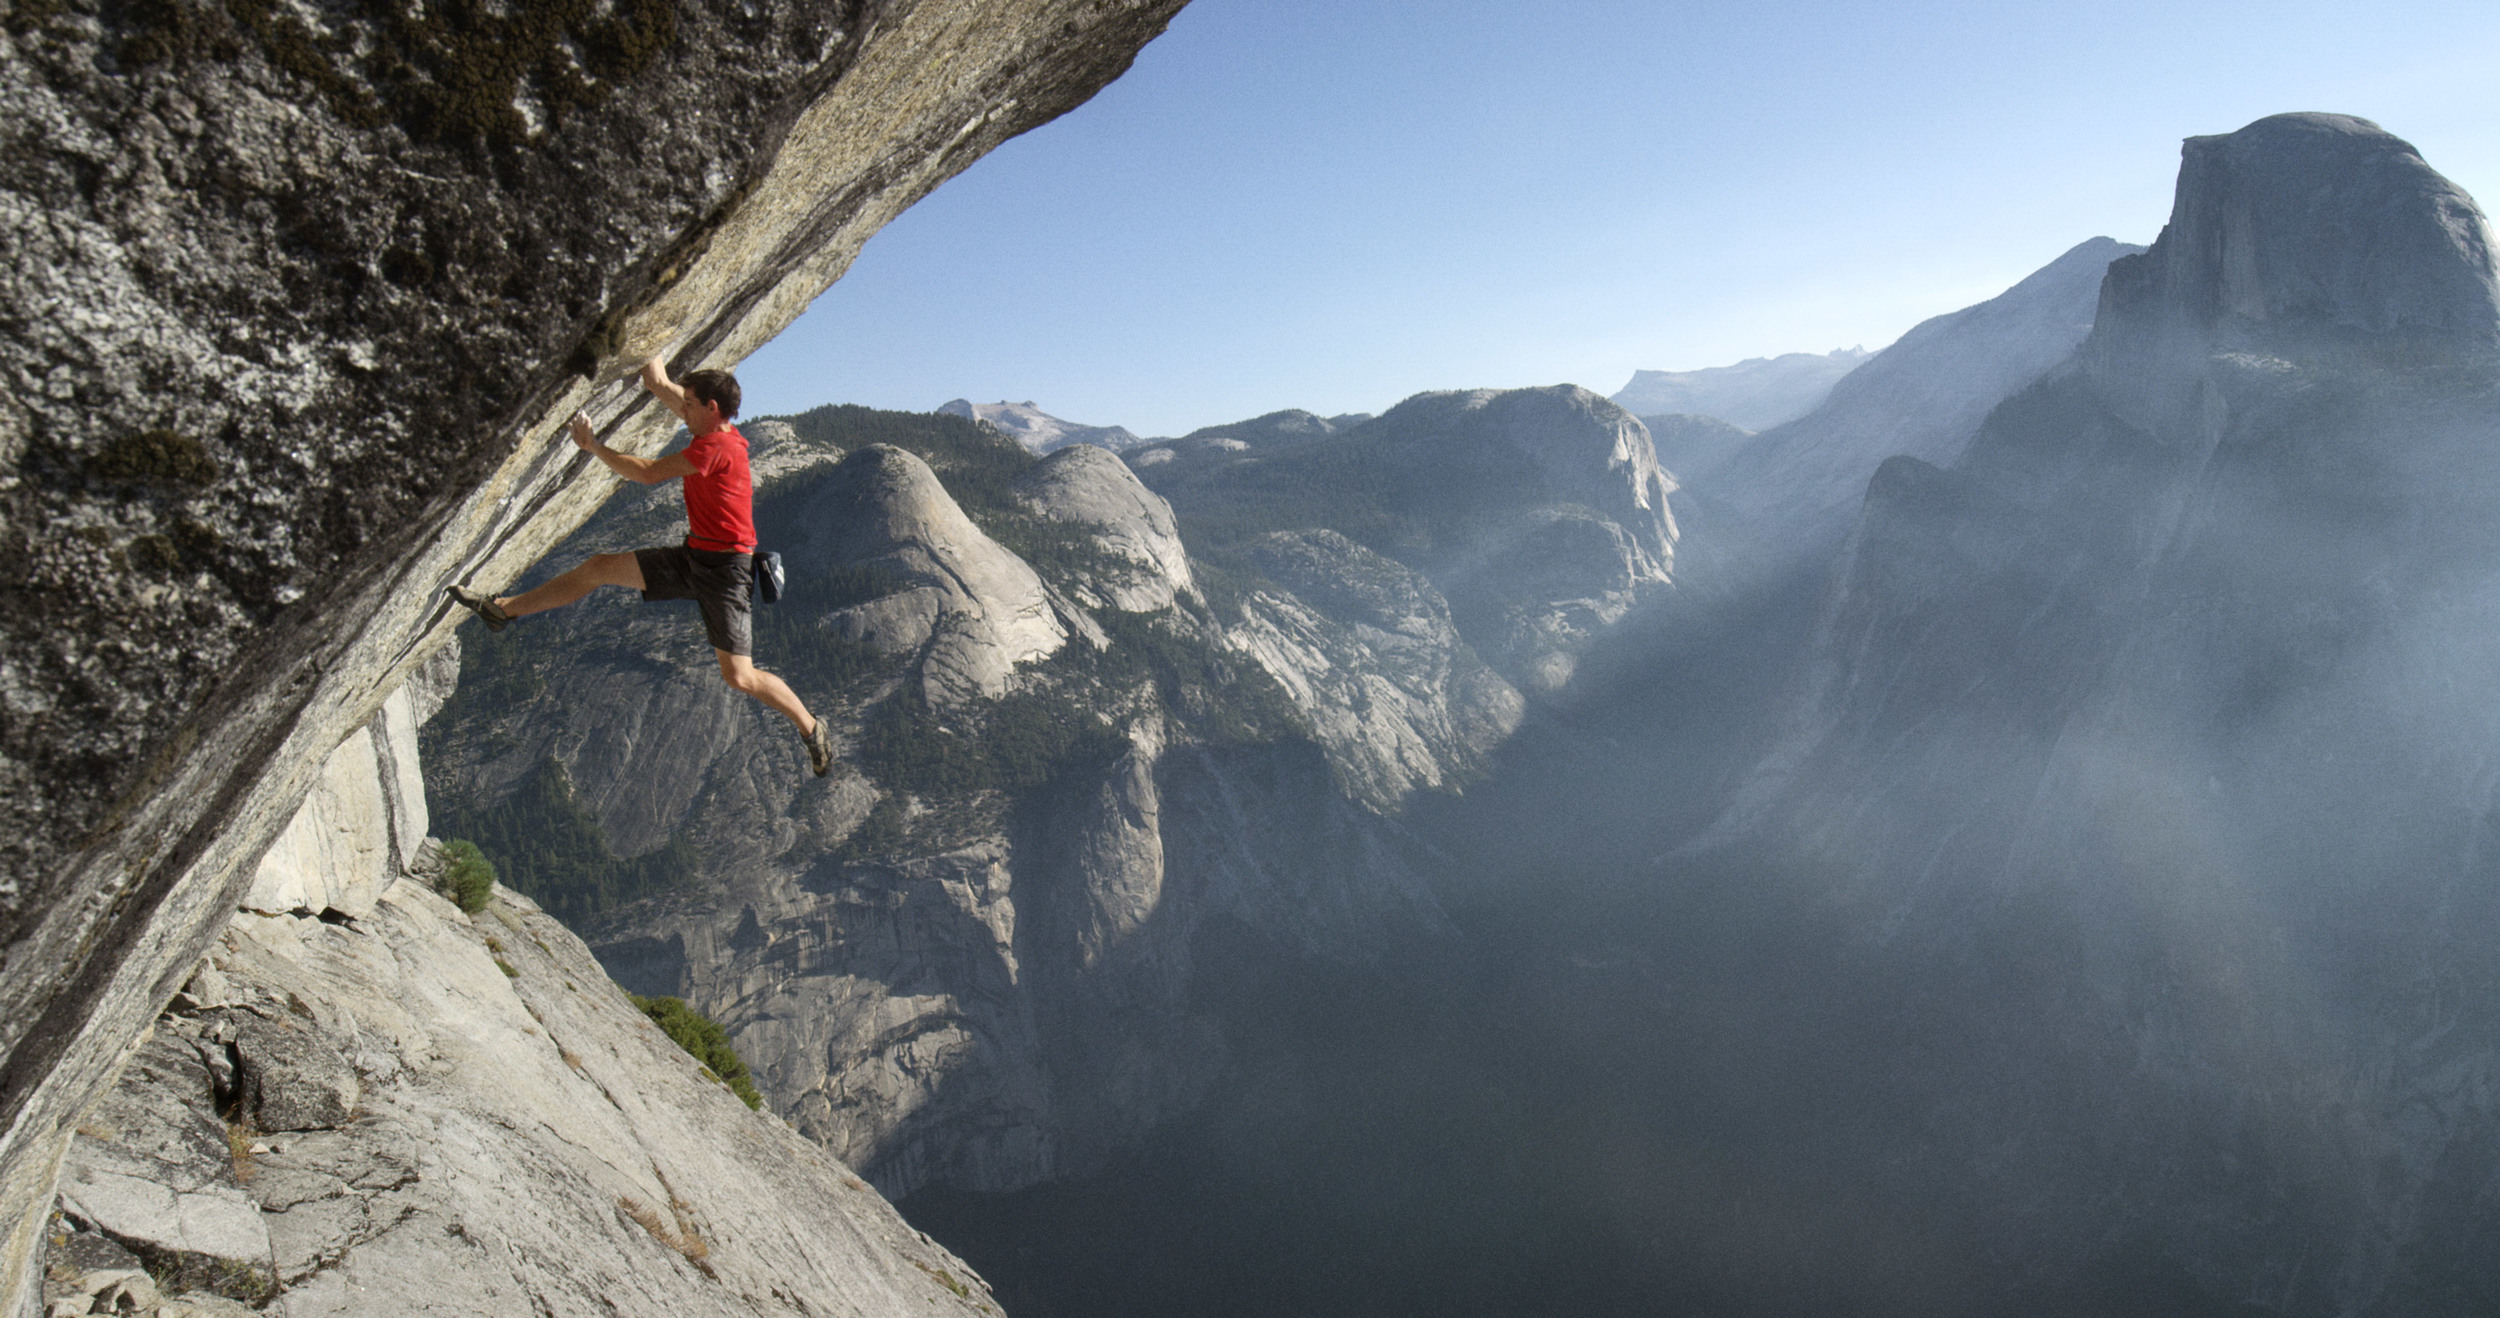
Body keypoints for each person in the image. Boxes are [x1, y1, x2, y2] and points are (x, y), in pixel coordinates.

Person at [448, 356, 834, 777]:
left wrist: (593, 445)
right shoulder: (713, 426)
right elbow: (660, 383)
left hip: (726, 573)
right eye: (683, 402)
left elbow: (649, 474)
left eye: (689, 404)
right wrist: (656, 375)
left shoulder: (717, 447)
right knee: (598, 567)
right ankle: (502, 610)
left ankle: (811, 728)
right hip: (694, 556)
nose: (681, 409)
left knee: (739, 677)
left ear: (712, 410)